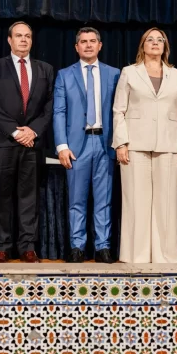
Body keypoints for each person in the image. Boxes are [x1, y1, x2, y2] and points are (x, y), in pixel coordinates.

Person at [112, 28, 177, 264]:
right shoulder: (129, 72)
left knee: (166, 203)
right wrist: (121, 143)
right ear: (143, 45)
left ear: (165, 46)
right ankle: (135, 255)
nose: (155, 43)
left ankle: (164, 256)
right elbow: (119, 110)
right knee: (136, 201)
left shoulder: (176, 75)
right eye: (150, 39)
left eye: (160, 40)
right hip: (135, 145)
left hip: (168, 144)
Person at [0, 21, 54, 263]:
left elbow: (50, 105)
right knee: (1, 197)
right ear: (9, 40)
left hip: (32, 143)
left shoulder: (45, 69)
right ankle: (2, 247)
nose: (24, 40)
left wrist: (33, 131)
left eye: (27, 36)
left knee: (29, 197)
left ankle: (27, 246)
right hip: (4, 141)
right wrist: (15, 132)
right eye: (19, 36)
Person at [53, 27, 120, 264]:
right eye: (83, 41)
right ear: (76, 47)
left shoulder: (115, 74)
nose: (88, 45)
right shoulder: (64, 75)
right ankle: (77, 246)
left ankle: (103, 246)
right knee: (77, 200)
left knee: (104, 199)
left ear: (100, 46)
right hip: (76, 145)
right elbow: (59, 111)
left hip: (105, 143)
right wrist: (62, 146)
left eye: (93, 41)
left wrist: (120, 143)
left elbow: (121, 111)